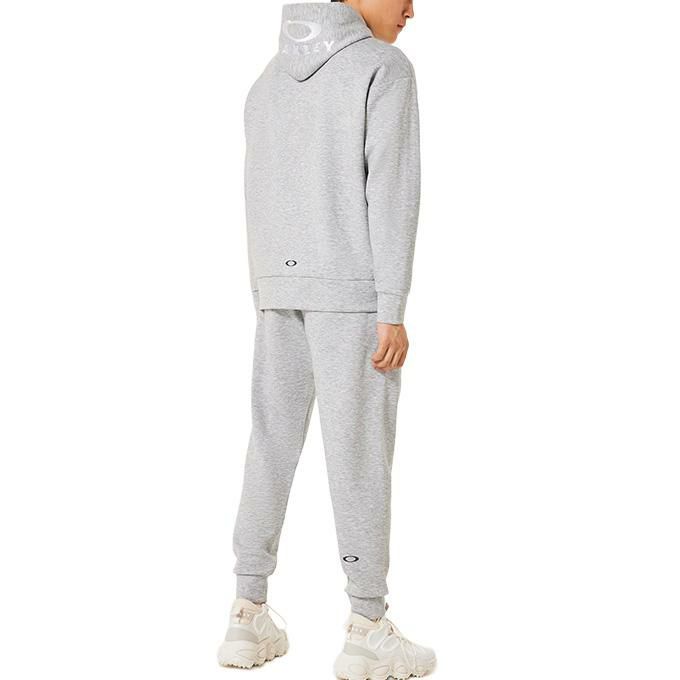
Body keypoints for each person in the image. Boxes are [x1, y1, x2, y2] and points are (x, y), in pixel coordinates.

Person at [217, 1, 436, 677]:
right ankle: (367, 625)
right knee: (359, 452)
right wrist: (390, 306)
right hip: (351, 292)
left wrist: (267, 289)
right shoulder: (383, 68)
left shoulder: (266, 80)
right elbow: (392, 192)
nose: (412, 8)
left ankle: (247, 613)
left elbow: (256, 192)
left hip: (277, 291)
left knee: (270, 444)